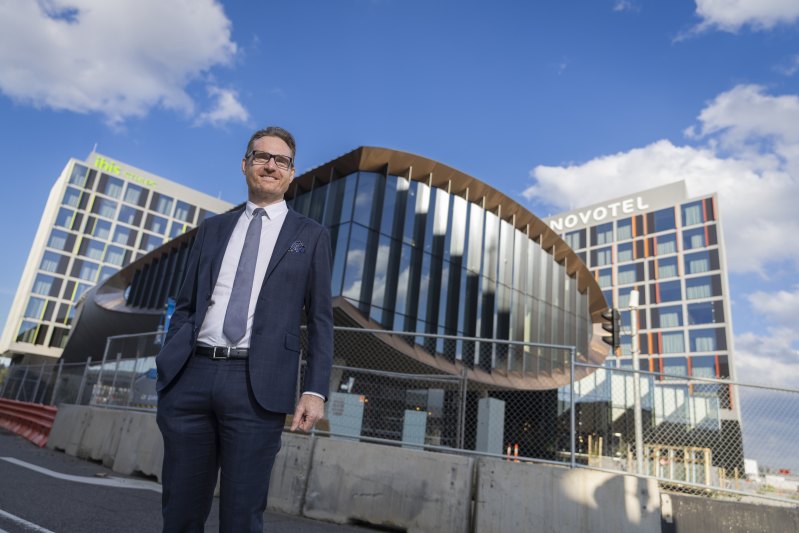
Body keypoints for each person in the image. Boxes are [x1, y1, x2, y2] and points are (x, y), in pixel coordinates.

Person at [155, 126, 333, 532]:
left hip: (258, 387)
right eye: (261, 156)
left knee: (241, 516)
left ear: (291, 172)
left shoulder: (311, 236)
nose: (270, 165)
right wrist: (170, 365)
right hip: (191, 377)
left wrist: (314, 389)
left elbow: (321, 320)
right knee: (179, 511)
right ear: (245, 164)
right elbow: (186, 305)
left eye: (281, 160)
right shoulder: (213, 229)